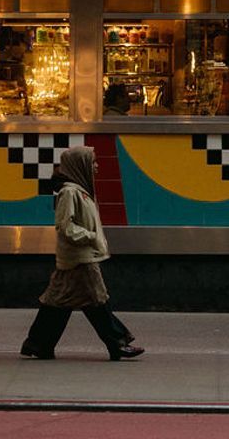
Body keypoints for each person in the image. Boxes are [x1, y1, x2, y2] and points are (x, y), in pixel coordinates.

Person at [21, 146, 144, 361]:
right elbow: (65, 227)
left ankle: (38, 343)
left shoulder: (80, 191)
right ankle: (118, 343)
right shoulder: (70, 193)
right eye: (92, 162)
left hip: (76, 257)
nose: (96, 166)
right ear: (80, 165)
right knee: (97, 299)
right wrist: (91, 236)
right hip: (81, 257)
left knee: (58, 300)